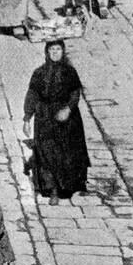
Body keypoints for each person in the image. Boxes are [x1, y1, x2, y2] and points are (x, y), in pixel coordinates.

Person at [23, 40, 90, 206]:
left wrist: (68, 109)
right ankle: (52, 189)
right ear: (47, 52)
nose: (55, 52)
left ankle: (66, 186)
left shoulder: (70, 72)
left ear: (63, 51)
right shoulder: (39, 73)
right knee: (47, 153)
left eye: (58, 49)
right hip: (45, 116)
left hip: (67, 118)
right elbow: (32, 95)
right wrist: (27, 118)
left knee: (66, 152)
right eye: (51, 49)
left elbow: (75, 93)